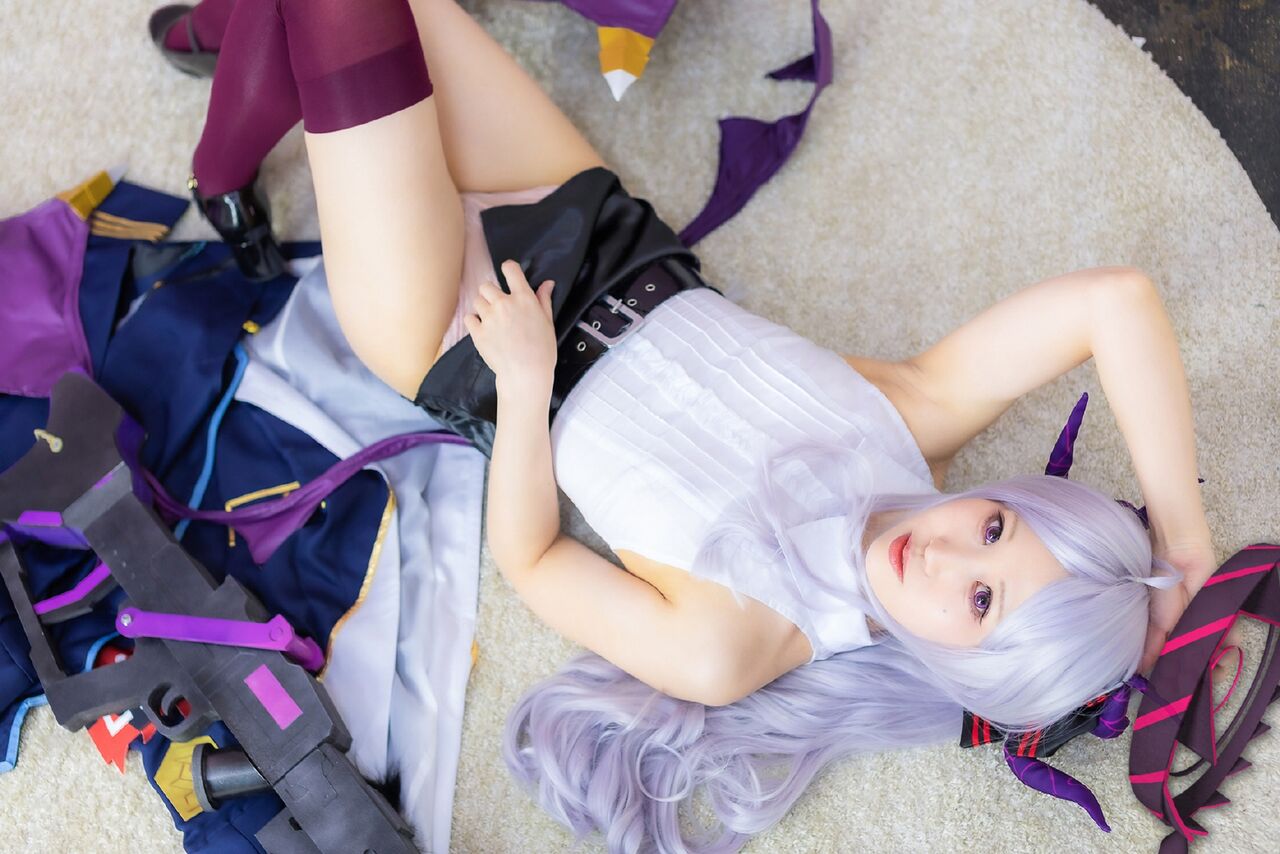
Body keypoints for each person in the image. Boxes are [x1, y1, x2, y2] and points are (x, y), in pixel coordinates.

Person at [155, 0, 1235, 849]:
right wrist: (1183, 542)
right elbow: (1116, 302)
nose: (949, 548)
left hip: (456, 324)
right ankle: (237, 46)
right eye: (997, 527)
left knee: (343, 8)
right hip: (584, 212)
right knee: (379, 13)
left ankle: (223, 148)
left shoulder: (734, 647)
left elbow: (533, 561)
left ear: (968, 673)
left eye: (981, 599)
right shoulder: (911, 420)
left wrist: (525, 383)